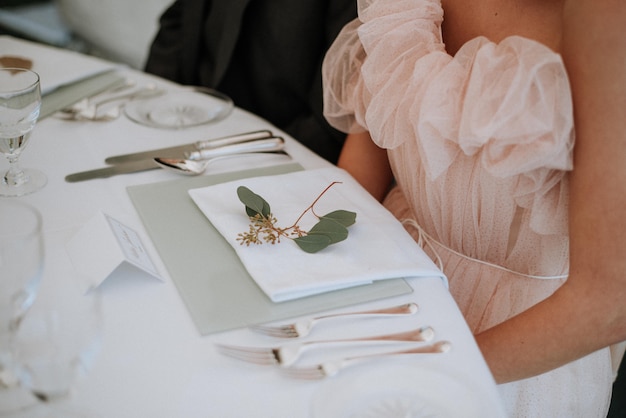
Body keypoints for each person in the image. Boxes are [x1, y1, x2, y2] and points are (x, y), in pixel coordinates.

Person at [321, 0, 626, 416]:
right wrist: (309, 263)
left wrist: (423, 367)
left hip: (513, 364)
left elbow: (609, 304)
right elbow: (372, 135)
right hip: (383, 289)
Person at [144, 0, 356, 163]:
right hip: (182, 124)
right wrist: (156, 105)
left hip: (275, 151)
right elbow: (180, 22)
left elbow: (331, 115)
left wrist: (244, 158)